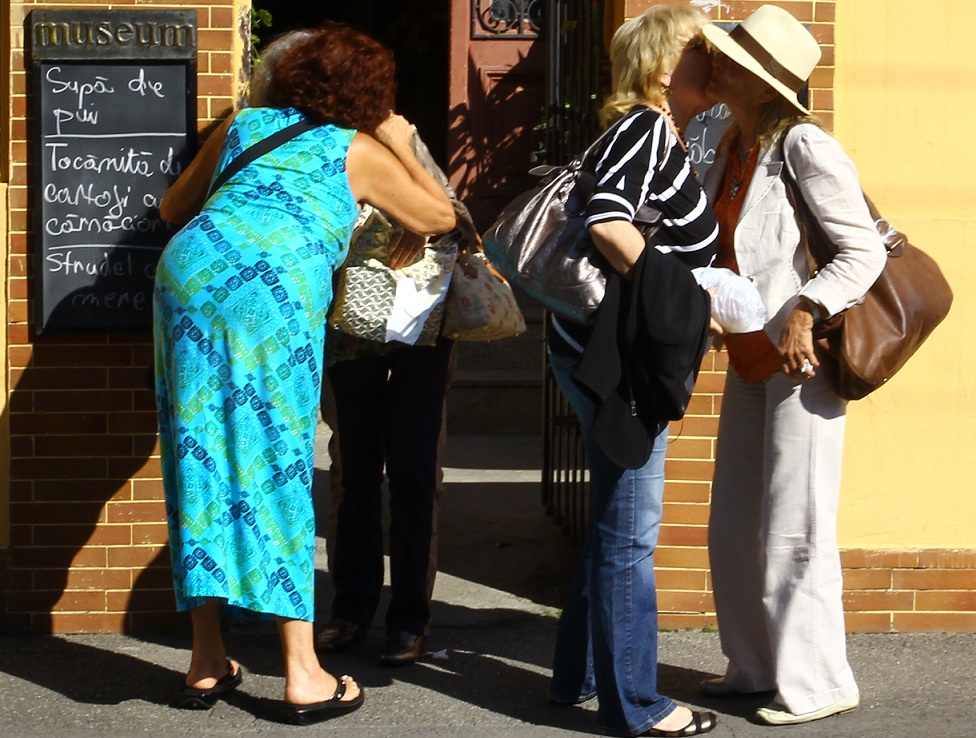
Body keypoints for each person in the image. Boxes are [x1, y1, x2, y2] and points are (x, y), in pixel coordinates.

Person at [153, 22, 455, 724]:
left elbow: (172, 209)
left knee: (198, 462)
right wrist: (403, 139)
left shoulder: (244, 123)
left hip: (189, 279)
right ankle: (302, 674)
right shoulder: (355, 149)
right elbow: (439, 214)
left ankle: (205, 664)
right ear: (368, 94)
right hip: (270, 297)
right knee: (280, 463)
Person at [699, 5, 887, 726]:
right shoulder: (727, 144)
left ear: (759, 79)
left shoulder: (803, 145)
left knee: (796, 524)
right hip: (752, 354)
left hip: (802, 359)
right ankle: (753, 665)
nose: (715, 64)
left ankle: (818, 682)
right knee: (733, 523)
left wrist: (809, 308)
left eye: (729, 57)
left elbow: (862, 250)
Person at [546, 5, 720, 736]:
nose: (712, 58)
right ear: (660, 66)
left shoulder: (656, 132)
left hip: (607, 349)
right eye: (696, 47)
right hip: (623, 359)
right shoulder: (647, 129)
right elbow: (609, 222)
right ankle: (639, 708)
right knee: (631, 533)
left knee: (618, 519)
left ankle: (577, 676)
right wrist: (682, 303)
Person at [314, 142, 475, 666]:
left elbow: (462, 224)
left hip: (422, 332)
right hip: (349, 331)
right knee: (354, 472)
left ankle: (408, 620)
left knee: (414, 472)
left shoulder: (410, 144)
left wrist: (420, 222)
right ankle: (352, 609)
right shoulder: (324, 152)